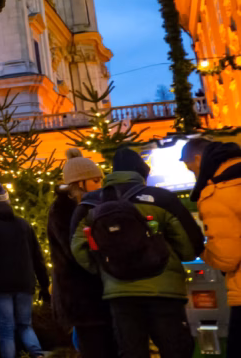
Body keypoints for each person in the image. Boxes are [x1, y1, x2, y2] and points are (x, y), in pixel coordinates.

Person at [71, 148, 205, 358]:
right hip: (164, 291)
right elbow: (190, 245)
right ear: (142, 173)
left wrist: (104, 268)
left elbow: (78, 248)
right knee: (175, 349)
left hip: (119, 293)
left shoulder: (90, 204)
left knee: (131, 352)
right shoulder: (161, 198)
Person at [47, 149, 114, 358]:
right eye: (95, 180)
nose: (100, 184)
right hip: (80, 296)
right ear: (79, 183)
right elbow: (74, 251)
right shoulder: (62, 210)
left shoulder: (94, 205)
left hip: (101, 293)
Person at [0, 183, 49, 358]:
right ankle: (37, 354)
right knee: (25, 325)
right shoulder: (23, 225)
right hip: (24, 283)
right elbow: (38, 257)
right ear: (8, 202)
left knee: (6, 329)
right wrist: (44, 285)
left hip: (0, 286)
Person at [187, 140, 241, 358]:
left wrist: (202, 251)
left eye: (191, 168)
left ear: (199, 160)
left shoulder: (217, 192)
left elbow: (227, 258)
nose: (193, 176)